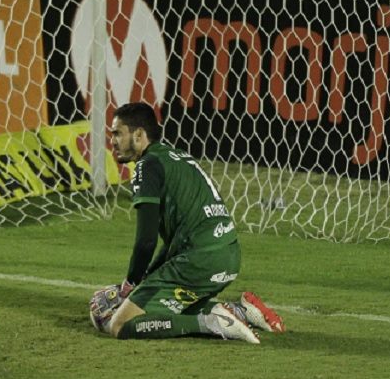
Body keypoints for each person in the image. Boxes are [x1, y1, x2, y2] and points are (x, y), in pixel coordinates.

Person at [90, 102, 285, 343]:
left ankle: (211, 323)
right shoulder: (179, 156)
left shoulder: (147, 167)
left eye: (118, 133)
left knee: (121, 324)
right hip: (228, 258)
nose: (113, 141)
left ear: (138, 134)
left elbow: (146, 240)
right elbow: (172, 241)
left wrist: (130, 284)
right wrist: (147, 278)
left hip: (198, 261)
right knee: (166, 307)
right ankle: (239, 311)